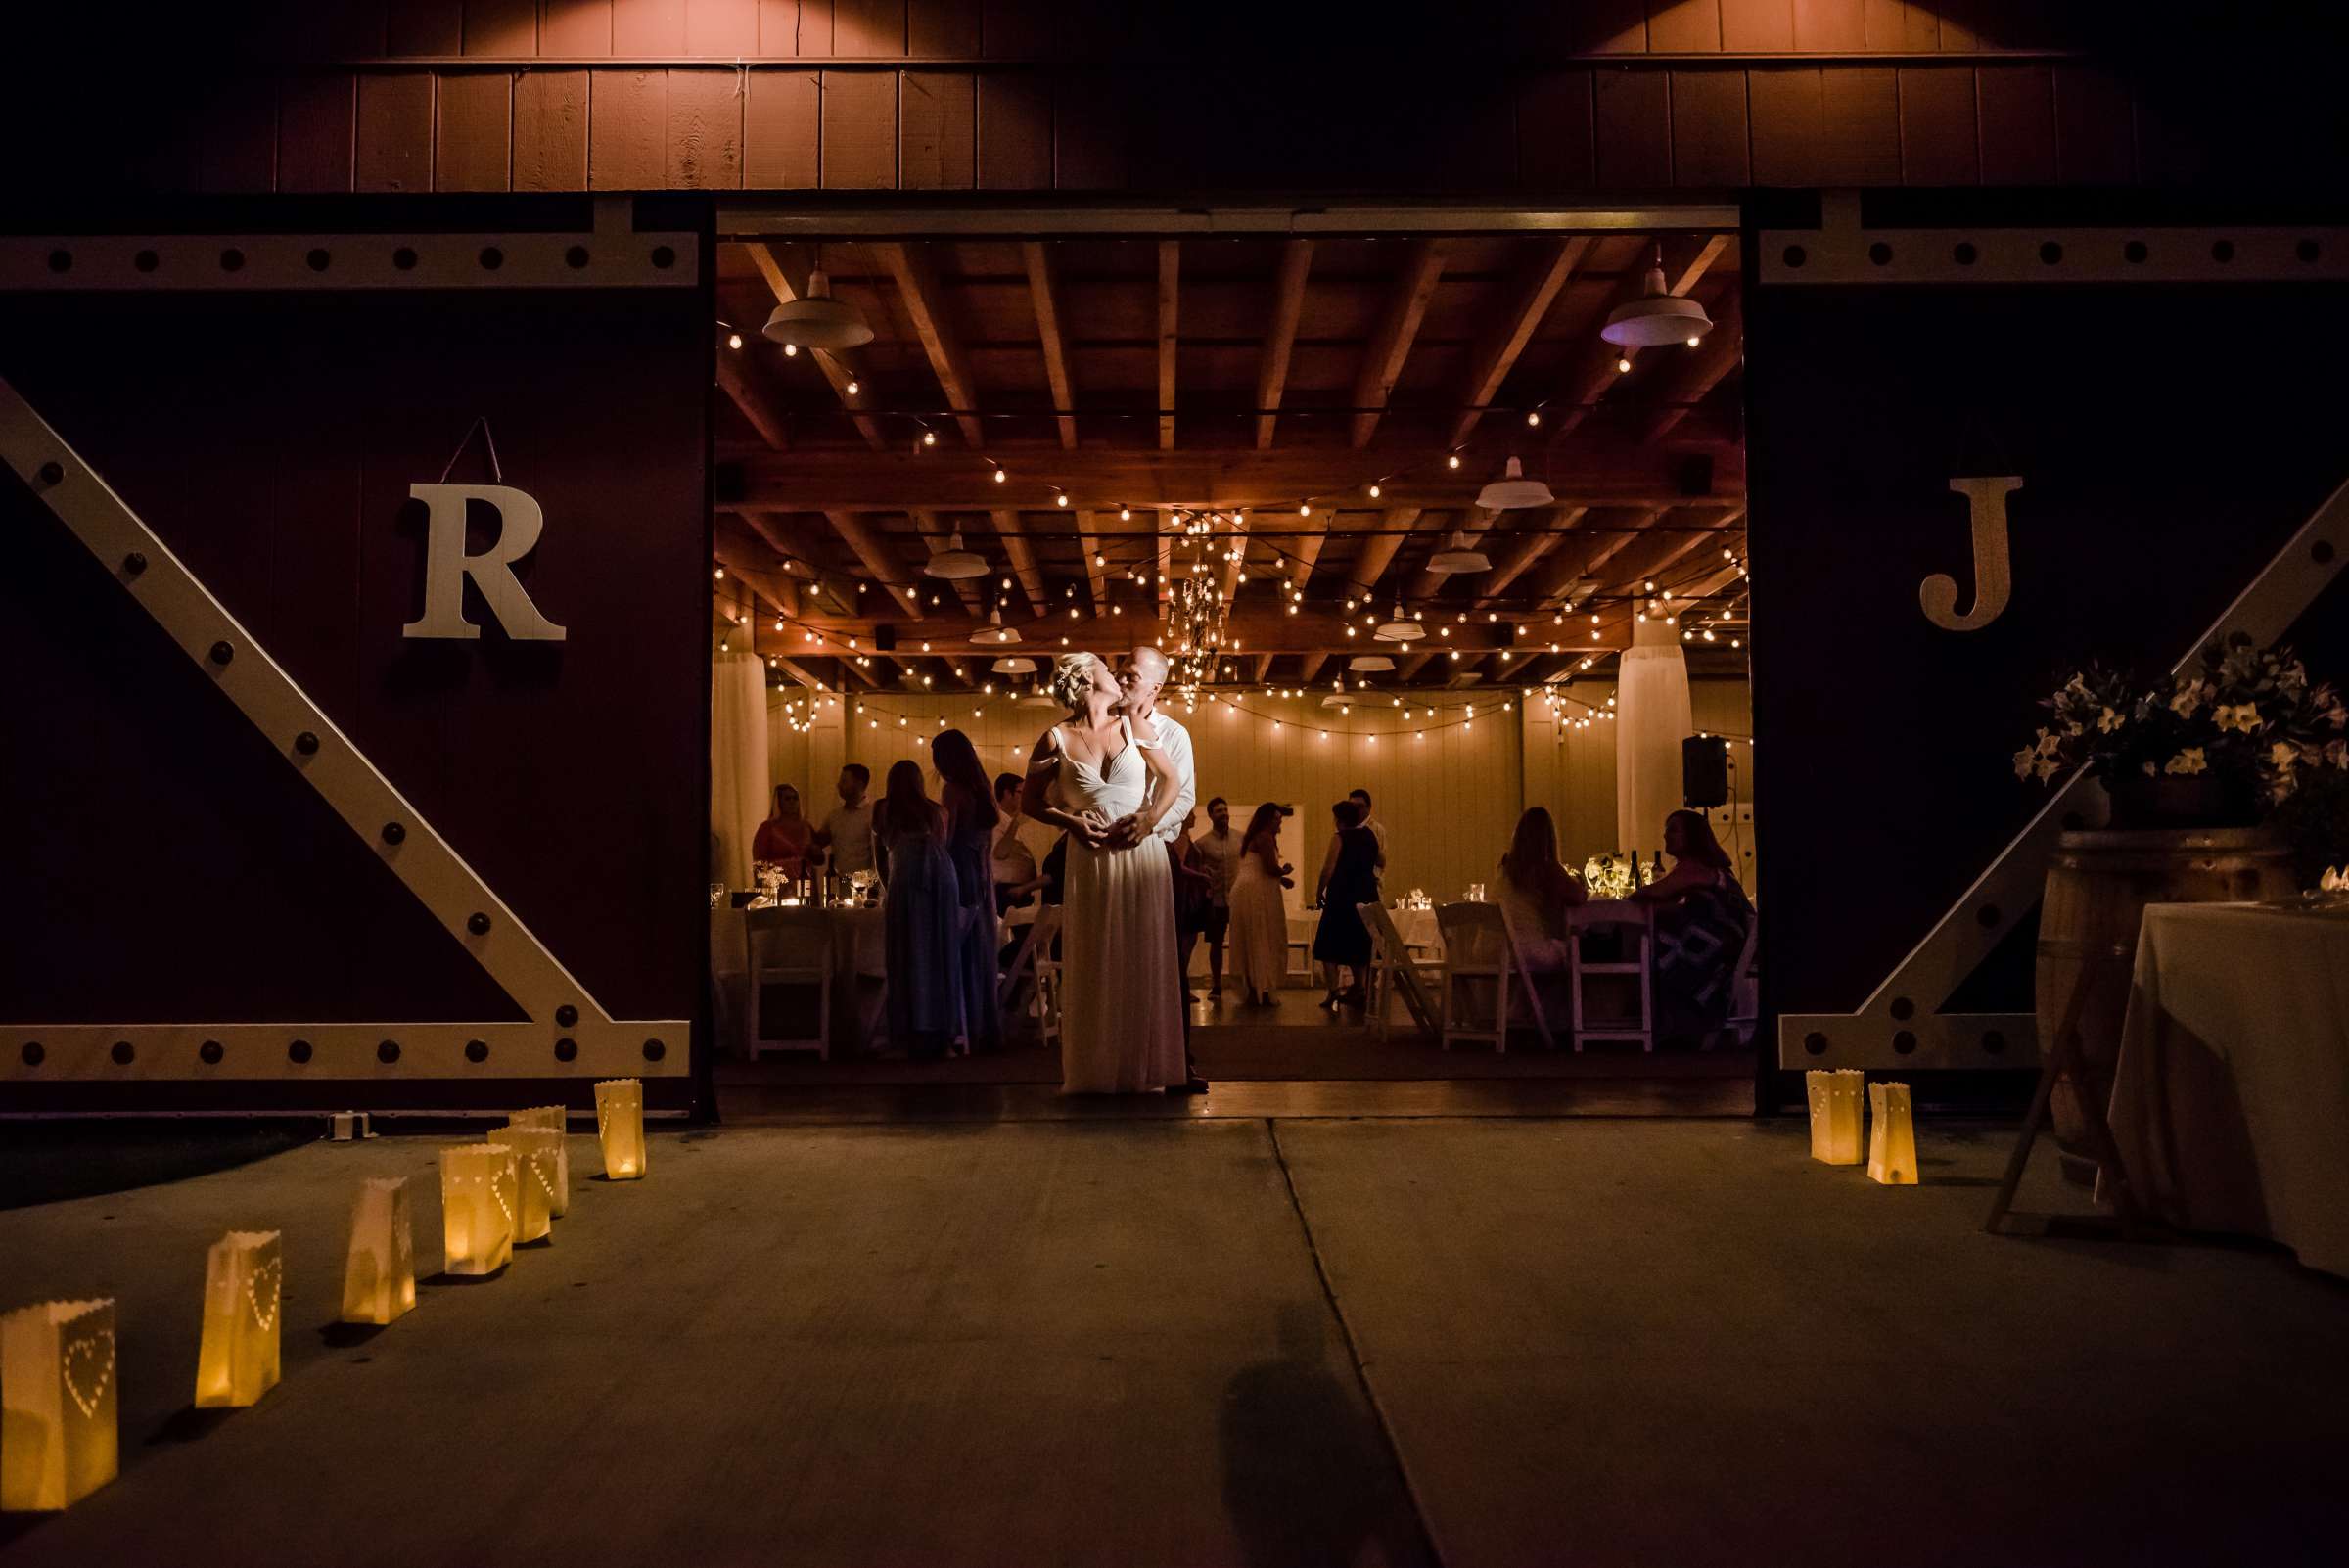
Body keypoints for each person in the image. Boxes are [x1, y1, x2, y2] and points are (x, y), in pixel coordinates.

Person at [1022, 652, 1187, 1093]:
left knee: (1141, 956)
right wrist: (1070, 822)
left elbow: (1171, 782)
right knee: (1097, 958)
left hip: (1140, 852)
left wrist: (1150, 819)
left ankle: (1143, 1068)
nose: (1116, 675)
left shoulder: (1135, 725)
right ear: (1085, 679)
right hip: (1089, 856)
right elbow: (1030, 802)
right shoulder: (1054, 738)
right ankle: (1097, 1069)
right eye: (1107, 669)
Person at [1116, 645, 1208, 1093]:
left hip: (1154, 853)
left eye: (1131, 674)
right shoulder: (1101, 723)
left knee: (1167, 961)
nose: (1121, 678)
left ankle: (1176, 1061)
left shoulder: (1173, 734)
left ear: (1156, 686)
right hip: (1106, 854)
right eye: (1120, 671)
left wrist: (1148, 823)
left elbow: (1184, 796)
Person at [1630, 808, 1754, 1043]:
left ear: (1692, 837)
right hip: (1730, 943)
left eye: (1673, 830)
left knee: (1655, 946)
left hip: (1723, 947)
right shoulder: (1704, 869)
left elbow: (1652, 892)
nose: (1666, 836)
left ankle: (1675, 1022)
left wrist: (1625, 904)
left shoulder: (1693, 868)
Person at [874, 760, 962, 1059]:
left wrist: (891, 892)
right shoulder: (938, 812)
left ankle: (907, 1035)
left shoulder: (884, 810)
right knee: (940, 952)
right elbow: (945, 844)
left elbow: (881, 857)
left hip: (906, 874)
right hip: (942, 876)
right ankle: (943, 1036)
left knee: (906, 953)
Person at [933, 729, 1003, 1055]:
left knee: (959, 951)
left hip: (960, 875)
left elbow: (946, 840)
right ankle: (984, 1024)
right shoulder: (983, 789)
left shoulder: (953, 792)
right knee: (981, 950)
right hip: (982, 875)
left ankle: (961, 1025)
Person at [1495, 807, 1589, 972]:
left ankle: (1537, 998)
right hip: (1528, 951)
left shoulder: (1505, 870)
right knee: (1576, 950)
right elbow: (1580, 896)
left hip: (1499, 951)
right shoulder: (1544, 868)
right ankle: (1576, 998)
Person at [1312, 800, 1381, 1009]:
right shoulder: (1369, 835)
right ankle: (1361, 987)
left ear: (1339, 819)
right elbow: (1381, 861)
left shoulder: (1340, 838)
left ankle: (1333, 991)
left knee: (1327, 944)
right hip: (1366, 894)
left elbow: (1328, 868)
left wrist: (1319, 891)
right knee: (1359, 944)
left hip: (1342, 896)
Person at [1227, 803, 1293, 1007]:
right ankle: (1261, 990)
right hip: (1256, 892)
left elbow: (1259, 867)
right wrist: (1285, 871)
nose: (1278, 822)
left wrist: (1281, 879)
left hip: (1247, 888)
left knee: (1250, 940)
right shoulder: (1264, 836)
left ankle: (1252, 989)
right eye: (1276, 819)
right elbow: (1269, 867)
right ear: (1266, 820)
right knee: (1262, 938)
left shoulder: (1254, 836)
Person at [1191, 797, 1242, 998]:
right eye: (1219, 811)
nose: (1224, 814)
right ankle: (1217, 985)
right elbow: (1196, 869)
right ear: (1211, 815)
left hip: (1238, 898)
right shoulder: (1201, 844)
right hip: (1216, 901)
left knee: (1243, 942)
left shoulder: (1241, 838)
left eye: (1225, 810)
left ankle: (1245, 984)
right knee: (1216, 943)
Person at [990, 771, 1044, 915]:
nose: (1025, 798)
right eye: (1021, 792)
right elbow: (1000, 853)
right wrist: (1016, 822)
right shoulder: (997, 821)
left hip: (1019, 891)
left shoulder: (1010, 820)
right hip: (1006, 892)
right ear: (1008, 793)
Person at [814, 763, 876, 880]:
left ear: (860, 784)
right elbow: (818, 842)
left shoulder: (873, 814)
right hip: (838, 883)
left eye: (844, 781)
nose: (838, 785)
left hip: (865, 885)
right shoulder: (834, 816)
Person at [752, 783, 815, 882]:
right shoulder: (767, 828)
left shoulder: (806, 826)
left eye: (795, 798)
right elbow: (759, 862)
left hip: (805, 882)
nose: (792, 802)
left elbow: (817, 857)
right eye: (787, 798)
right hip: (778, 884)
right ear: (779, 802)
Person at [1348, 787, 1390, 872]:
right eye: (1352, 806)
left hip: (1369, 881)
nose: (1356, 810)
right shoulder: (1347, 828)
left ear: (1369, 807)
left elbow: (1380, 863)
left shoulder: (1377, 829)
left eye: (1360, 806)